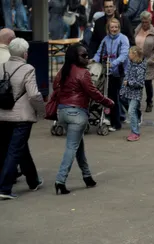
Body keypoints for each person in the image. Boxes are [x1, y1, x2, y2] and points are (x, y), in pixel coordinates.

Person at [53, 44, 114, 195]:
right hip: (77, 114)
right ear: (75, 57)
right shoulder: (83, 73)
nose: (87, 58)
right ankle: (60, 180)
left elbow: (55, 87)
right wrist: (109, 102)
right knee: (71, 147)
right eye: (84, 55)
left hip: (62, 113)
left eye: (87, 55)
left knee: (77, 146)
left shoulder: (63, 71)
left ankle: (87, 177)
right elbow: (93, 93)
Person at [0, 38, 45, 199]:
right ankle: (4, 188)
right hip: (22, 117)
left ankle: (33, 181)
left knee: (20, 149)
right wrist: (41, 111)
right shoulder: (28, 69)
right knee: (15, 150)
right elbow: (33, 94)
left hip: (3, 115)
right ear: (25, 53)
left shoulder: (2, 66)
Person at [93, 18, 130, 132]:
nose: (114, 29)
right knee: (111, 97)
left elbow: (124, 55)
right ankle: (115, 121)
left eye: (116, 27)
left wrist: (113, 63)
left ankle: (134, 114)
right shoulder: (105, 39)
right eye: (112, 27)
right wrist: (94, 61)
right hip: (108, 73)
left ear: (119, 28)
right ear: (108, 28)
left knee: (121, 97)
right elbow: (100, 53)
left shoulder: (123, 39)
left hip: (120, 72)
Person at [134, 11, 154, 113]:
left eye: (147, 22)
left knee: (147, 83)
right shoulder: (137, 29)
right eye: (143, 22)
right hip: (136, 61)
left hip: (149, 62)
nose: (144, 24)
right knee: (136, 83)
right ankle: (136, 103)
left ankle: (149, 101)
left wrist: (150, 61)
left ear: (150, 21)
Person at [120, 46, 146, 141]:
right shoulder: (131, 64)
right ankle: (137, 116)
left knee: (131, 112)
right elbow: (127, 75)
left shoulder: (140, 68)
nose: (128, 54)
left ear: (135, 55)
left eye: (130, 53)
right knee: (130, 109)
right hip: (127, 92)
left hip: (135, 94)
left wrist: (129, 83)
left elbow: (140, 83)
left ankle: (135, 132)